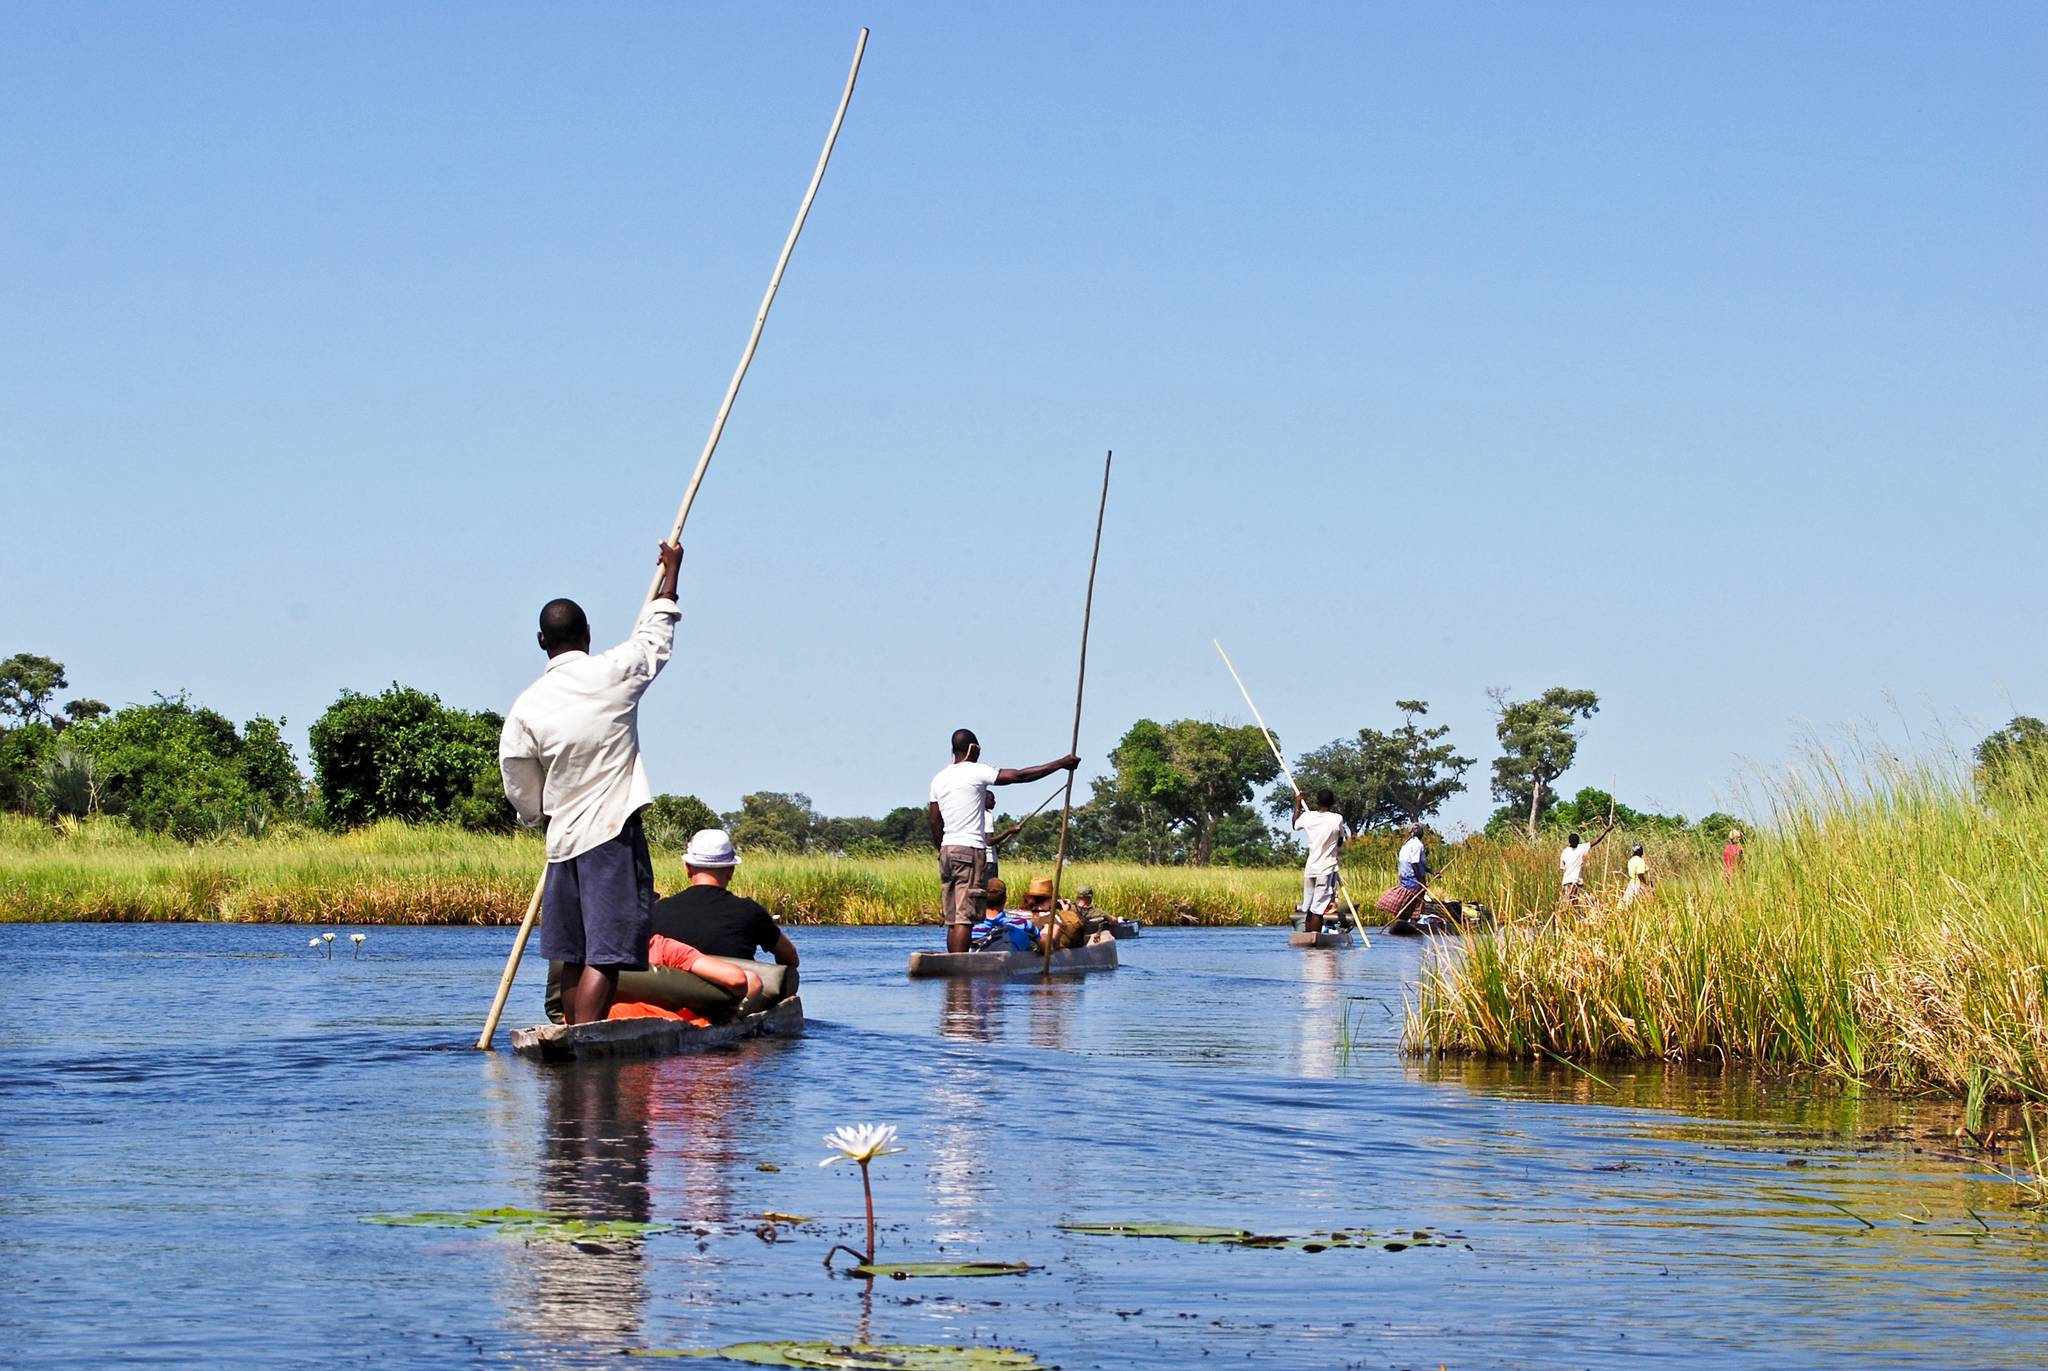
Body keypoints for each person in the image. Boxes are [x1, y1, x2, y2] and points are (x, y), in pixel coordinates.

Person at [501, 541, 683, 1025]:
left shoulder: (527, 705)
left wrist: (535, 815)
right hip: (609, 835)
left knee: (571, 953)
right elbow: (654, 640)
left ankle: (568, 1034)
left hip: (562, 842)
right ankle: (582, 1037)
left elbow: (518, 777)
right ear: (587, 634)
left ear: (542, 641)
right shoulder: (612, 672)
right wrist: (671, 576)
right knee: (605, 954)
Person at [928, 729, 1079, 953]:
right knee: (965, 917)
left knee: (953, 918)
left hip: (947, 851)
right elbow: (1019, 776)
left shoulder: (939, 778)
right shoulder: (976, 771)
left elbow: (934, 819)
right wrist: (1061, 763)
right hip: (969, 850)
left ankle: (953, 973)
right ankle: (960, 975)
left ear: (953, 750)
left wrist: (941, 847)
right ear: (973, 749)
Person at [650, 828, 799, 996]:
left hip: (674, 998)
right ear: (731, 871)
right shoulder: (750, 911)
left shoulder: (657, 910)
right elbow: (790, 957)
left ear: (688, 869)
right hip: (731, 998)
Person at [1291, 788, 1350, 934]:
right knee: (1318, 908)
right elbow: (1340, 841)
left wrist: (1297, 803)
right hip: (1326, 868)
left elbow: (1295, 824)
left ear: (1317, 801)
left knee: (1310, 906)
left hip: (1310, 869)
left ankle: (1308, 937)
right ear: (1332, 803)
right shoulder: (1337, 818)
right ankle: (1315, 938)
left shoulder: (1308, 817)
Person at [968, 876, 1038, 952]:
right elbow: (1046, 947)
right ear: (1005, 899)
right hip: (1014, 962)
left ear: (982, 900)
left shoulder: (971, 928)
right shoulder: (1023, 924)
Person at [1558, 821, 1616, 908]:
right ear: (1578, 842)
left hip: (1566, 881)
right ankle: (1577, 918)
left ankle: (1572, 917)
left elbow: (1563, 867)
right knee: (1574, 902)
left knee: (1569, 902)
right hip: (1574, 880)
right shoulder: (1581, 848)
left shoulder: (1565, 852)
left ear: (1569, 842)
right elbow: (1597, 840)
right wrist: (1606, 831)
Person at [1621, 843, 1652, 908]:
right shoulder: (1640, 861)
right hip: (1637, 884)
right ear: (1641, 852)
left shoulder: (1631, 860)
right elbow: (1640, 874)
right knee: (1647, 903)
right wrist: (1646, 884)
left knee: (1626, 903)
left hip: (1631, 883)